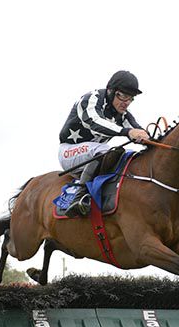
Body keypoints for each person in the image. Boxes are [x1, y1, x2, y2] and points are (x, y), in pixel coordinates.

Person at [58, 70, 150, 217]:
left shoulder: (123, 115)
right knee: (105, 149)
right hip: (69, 152)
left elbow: (139, 131)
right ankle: (79, 197)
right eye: (123, 96)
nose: (126, 102)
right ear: (110, 91)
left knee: (126, 155)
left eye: (130, 98)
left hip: (92, 155)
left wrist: (152, 139)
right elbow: (94, 121)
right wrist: (127, 132)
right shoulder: (91, 99)